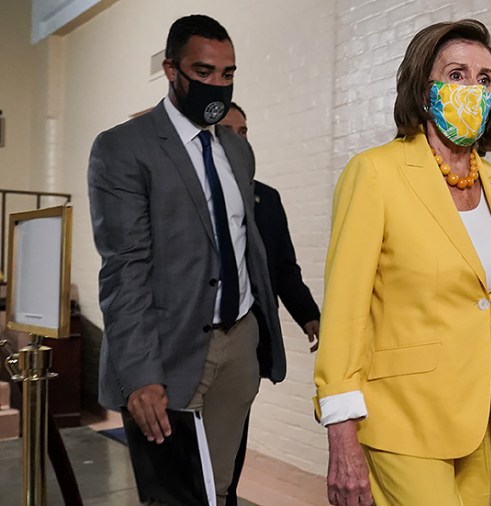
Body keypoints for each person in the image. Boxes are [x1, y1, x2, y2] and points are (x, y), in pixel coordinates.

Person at [313, 19, 491, 506]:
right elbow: (345, 311)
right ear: (425, 89)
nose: (473, 89)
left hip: (476, 419)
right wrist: (340, 431)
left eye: (485, 80)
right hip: (401, 420)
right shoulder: (375, 173)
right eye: (457, 75)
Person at [87, 15, 285, 505]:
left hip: (238, 344)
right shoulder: (122, 148)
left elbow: (246, 245)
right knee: (172, 496)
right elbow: (124, 267)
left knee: (218, 491)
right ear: (172, 70)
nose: (217, 84)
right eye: (204, 72)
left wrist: (262, 328)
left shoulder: (237, 151)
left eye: (228, 73)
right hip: (167, 354)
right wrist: (139, 374)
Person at [218, 102, 321, 506]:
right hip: (192, 347)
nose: (239, 138)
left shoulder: (267, 200)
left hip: (245, 342)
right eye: (228, 130)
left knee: (231, 445)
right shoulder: (192, 197)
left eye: (244, 131)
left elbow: (283, 268)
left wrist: (309, 314)